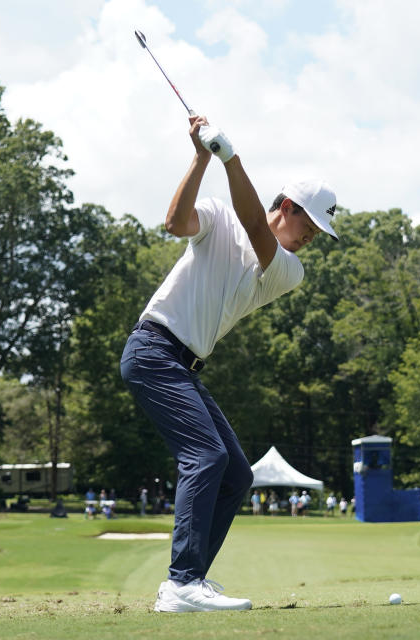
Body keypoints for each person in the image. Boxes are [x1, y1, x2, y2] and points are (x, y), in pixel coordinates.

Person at [119, 115, 338, 614]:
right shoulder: (218, 216)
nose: (312, 238)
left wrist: (230, 157)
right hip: (153, 350)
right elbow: (175, 223)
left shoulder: (288, 270)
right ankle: (181, 585)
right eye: (311, 225)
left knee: (237, 474)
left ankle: (189, 580)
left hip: (183, 364)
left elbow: (257, 228)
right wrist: (202, 158)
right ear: (288, 206)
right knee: (206, 457)